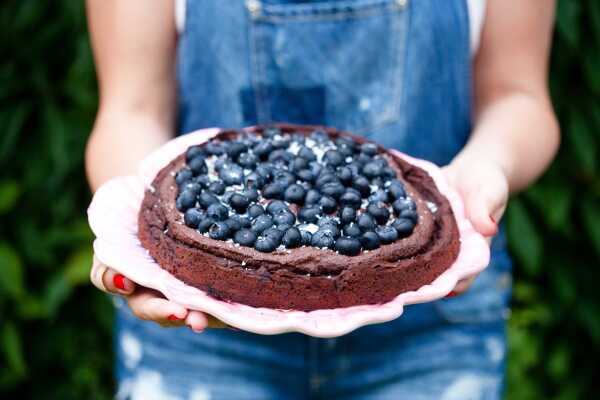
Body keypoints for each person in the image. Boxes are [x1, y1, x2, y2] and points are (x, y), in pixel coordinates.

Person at [86, 0, 559, 398]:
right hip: (201, 329)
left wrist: (487, 166)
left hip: (431, 330)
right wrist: (140, 230)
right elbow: (130, 109)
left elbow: (519, 96)